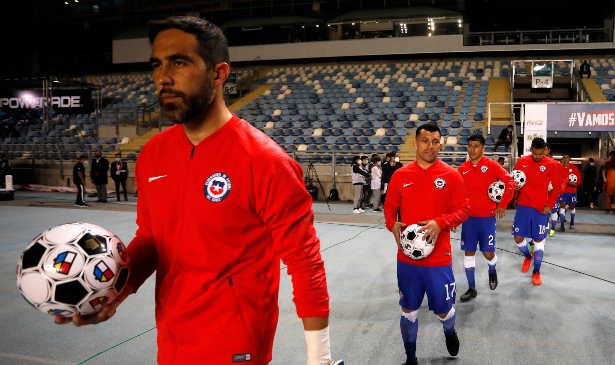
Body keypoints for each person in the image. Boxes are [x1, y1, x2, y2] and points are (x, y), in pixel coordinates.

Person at [55, 16, 343, 365]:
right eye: (157, 65)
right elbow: (150, 238)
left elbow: (304, 261)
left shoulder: (265, 161)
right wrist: (115, 292)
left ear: (218, 73)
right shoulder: (153, 154)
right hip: (172, 340)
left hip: (236, 344)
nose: (163, 77)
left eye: (179, 62)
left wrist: (320, 359)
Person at [384, 123, 469, 363]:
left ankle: (449, 330)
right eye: (425, 140)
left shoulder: (452, 176)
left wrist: (440, 222)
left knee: (443, 310)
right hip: (407, 259)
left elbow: (463, 209)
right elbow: (390, 208)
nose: (430, 146)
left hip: (438, 259)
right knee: (408, 310)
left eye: (435, 141)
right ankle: (411, 359)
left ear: (440, 144)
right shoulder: (400, 175)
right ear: (415, 144)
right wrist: (393, 225)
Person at [457, 135, 514, 302]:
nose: (472, 149)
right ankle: (472, 288)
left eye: (476, 146)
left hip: (487, 218)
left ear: (483, 149)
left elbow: (509, 181)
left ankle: (492, 269)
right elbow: (456, 194)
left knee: (488, 253)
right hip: (468, 218)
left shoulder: (492, 166)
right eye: (469, 146)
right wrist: (454, 218)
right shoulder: (462, 169)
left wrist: (502, 204)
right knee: (469, 253)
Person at [511, 138, 562, 286]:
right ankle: (528, 256)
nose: (538, 157)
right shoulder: (522, 162)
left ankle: (536, 272)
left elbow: (557, 188)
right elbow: (515, 182)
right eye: (536, 153)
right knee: (518, 238)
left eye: (541, 154)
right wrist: (515, 195)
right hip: (524, 206)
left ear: (545, 150)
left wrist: (550, 205)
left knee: (539, 241)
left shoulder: (551, 164)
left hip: (541, 208)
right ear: (531, 149)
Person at [546, 147, 567, 238]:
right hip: (542, 194)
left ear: (550, 155)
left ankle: (553, 229)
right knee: (544, 213)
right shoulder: (541, 164)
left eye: (547, 155)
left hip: (553, 193)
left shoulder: (558, 165)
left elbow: (564, 179)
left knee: (554, 211)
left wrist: (558, 190)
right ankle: (545, 230)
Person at [557, 154, 582, 231]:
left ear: (570, 158)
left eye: (567, 157)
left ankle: (572, 222)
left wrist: (575, 184)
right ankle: (562, 225)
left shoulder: (574, 168)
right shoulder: (559, 167)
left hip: (572, 191)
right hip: (563, 191)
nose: (566, 159)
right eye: (564, 157)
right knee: (562, 206)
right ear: (562, 159)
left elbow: (579, 179)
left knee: (572, 207)